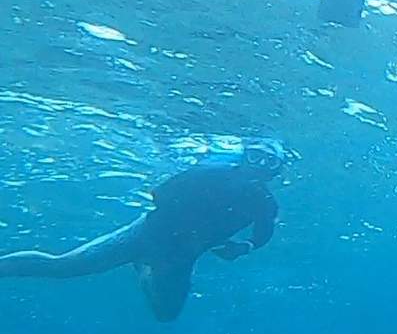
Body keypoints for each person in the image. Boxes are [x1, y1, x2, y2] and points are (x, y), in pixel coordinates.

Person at [0, 138, 285, 322]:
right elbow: (160, 193)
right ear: (244, 155)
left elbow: (262, 234)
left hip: (179, 255)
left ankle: (144, 270)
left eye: (268, 161)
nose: (259, 165)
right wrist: (188, 228)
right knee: (64, 266)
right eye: (256, 156)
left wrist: (243, 247)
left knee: (166, 314)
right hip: (145, 236)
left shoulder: (264, 202)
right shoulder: (209, 172)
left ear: (276, 170)